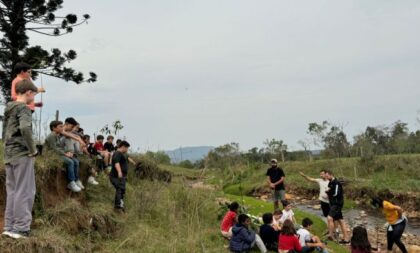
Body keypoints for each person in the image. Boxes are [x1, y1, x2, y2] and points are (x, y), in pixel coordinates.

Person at [2, 80, 39, 239]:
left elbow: (5, 132)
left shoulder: (9, 109)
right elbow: (24, 128)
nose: (34, 99)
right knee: (25, 191)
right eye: (34, 95)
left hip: (8, 154)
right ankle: (21, 228)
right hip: (22, 154)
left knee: (12, 191)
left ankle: (9, 227)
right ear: (28, 93)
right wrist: (33, 149)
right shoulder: (24, 109)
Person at [45, 120, 82, 192]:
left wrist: (68, 152)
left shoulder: (57, 135)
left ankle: (76, 180)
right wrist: (65, 154)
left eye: (62, 126)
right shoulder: (51, 136)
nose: (62, 128)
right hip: (51, 155)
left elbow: (59, 148)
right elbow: (54, 149)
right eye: (60, 126)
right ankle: (71, 182)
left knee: (75, 161)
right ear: (53, 128)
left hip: (57, 153)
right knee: (70, 162)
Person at [325, 170, 350, 244]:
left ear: (331, 174)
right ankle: (346, 239)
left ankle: (331, 236)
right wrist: (328, 193)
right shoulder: (330, 183)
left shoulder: (337, 183)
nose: (326, 178)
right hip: (333, 204)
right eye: (325, 176)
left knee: (329, 218)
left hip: (337, 204)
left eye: (327, 176)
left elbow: (336, 193)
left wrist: (328, 192)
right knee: (340, 221)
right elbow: (331, 193)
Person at [109, 141, 131, 212]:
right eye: (127, 148)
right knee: (119, 188)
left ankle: (120, 204)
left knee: (122, 189)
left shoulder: (121, 154)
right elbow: (116, 163)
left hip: (122, 176)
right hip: (115, 176)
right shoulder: (117, 153)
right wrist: (119, 172)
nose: (127, 150)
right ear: (123, 147)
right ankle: (117, 206)